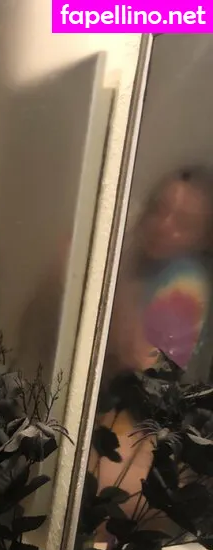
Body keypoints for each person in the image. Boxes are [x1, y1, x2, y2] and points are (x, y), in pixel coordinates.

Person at [92, 166, 213, 517]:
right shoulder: (147, 269)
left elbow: (147, 374)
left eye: (183, 222)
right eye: (160, 209)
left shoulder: (185, 279)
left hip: (143, 447)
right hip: (133, 437)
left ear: (204, 238)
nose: (163, 225)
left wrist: (115, 294)